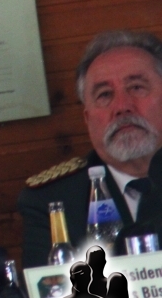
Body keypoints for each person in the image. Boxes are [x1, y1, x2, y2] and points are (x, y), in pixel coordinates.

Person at [18, 30, 162, 267]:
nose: (122, 107)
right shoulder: (53, 200)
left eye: (136, 87)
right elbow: (49, 287)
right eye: (105, 95)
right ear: (87, 119)